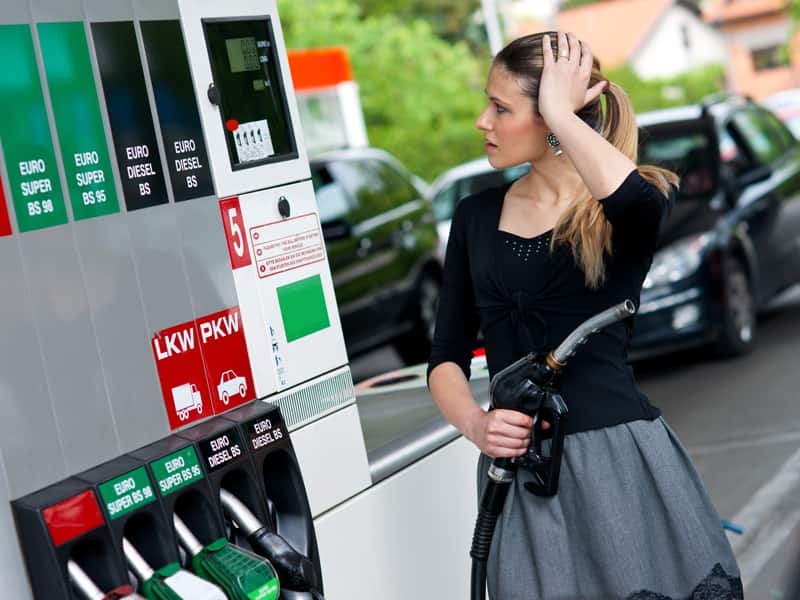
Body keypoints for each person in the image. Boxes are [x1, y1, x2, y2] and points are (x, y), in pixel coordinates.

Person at [427, 31, 742, 599]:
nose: (483, 121)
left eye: (501, 108)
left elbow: (636, 203)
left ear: (553, 117)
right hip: (521, 474)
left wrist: (560, 115)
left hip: (616, 463)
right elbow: (445, 356)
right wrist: (477, 425)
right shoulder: (475, 216)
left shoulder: (622, 206)